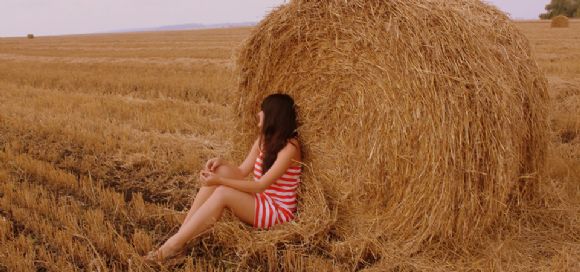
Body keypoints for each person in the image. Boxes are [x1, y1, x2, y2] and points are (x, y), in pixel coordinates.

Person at [145, 93, 302, 261]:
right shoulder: (263, 140)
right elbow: (241, 171)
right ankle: (181, 237)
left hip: (277, 211)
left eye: (263, 110)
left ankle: (172, 246)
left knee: (222, 192)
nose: (258, 113)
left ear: (273, 115)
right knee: (220, 171)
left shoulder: (290, 148)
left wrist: (219, 181)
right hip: (262, 200)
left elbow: (260, 185)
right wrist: (222, 163)